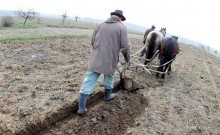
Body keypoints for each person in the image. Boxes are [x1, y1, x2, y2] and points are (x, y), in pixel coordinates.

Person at [77, 9, 131, 114]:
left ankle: (81, 108)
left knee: (88, 81)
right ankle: (107, 96)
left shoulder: (100, 24)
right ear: (120, 18)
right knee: (109, 77)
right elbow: (125, 47)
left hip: (96, 58)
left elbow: (93, 41)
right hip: (110, 59)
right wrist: (127, 60)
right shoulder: (122, 28)